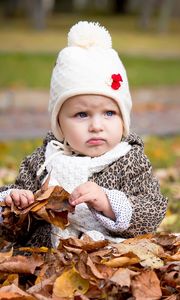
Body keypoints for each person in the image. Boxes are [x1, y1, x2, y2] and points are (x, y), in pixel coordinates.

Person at [0, 21, 167, 248]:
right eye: (81, 115)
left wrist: (109, 203)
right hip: (45, 258)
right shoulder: (44, 161)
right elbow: (14, 231)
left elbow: (152, 210)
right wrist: (15, 203)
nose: (97, 126)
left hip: (108, 255)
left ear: (123, 117)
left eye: (109, 113)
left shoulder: (130, 160)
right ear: (59, 122)